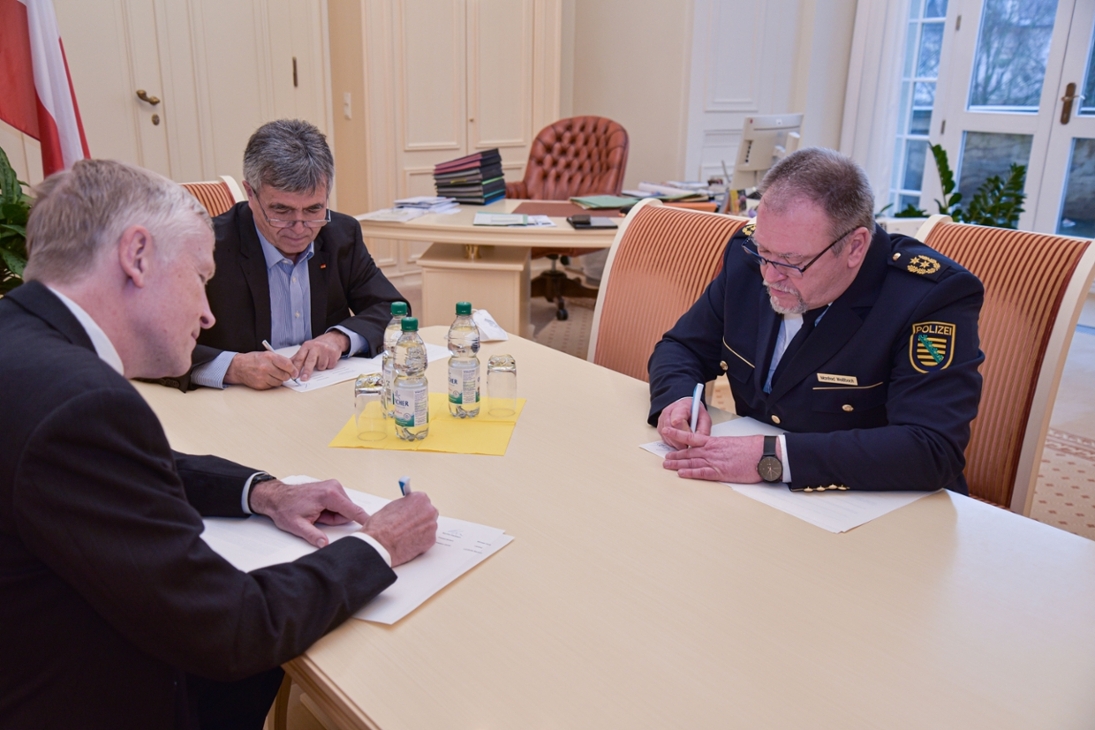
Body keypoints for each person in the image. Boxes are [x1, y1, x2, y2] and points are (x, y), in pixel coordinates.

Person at [0, 159, 438, 729]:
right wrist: (377, 546)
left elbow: (127, 469)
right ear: (136, 257)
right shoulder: (83, 404)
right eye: (199, 279)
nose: (208, 314)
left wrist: (262, 492)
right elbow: (230, 629)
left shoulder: (19, 337)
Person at [648, 147, 984, 493]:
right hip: (760, 502)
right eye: (764, 253)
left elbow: (930, 448)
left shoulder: (926, 296)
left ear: (855, 247)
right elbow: (683, 346)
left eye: (792, 262)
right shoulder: (748, 257)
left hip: (879, 511)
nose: (770, 276)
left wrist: (772, 457)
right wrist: (678, 399)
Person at [178, 118, 407, 391]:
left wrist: (338, 339)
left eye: (313, 210)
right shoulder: (205, 246)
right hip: (232, 409)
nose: (299, 228)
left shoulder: (341, 234)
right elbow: (153, 343)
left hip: (320, 398)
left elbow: (395, 311)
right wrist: (233, 367)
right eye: (282, 211)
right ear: (250, 194)